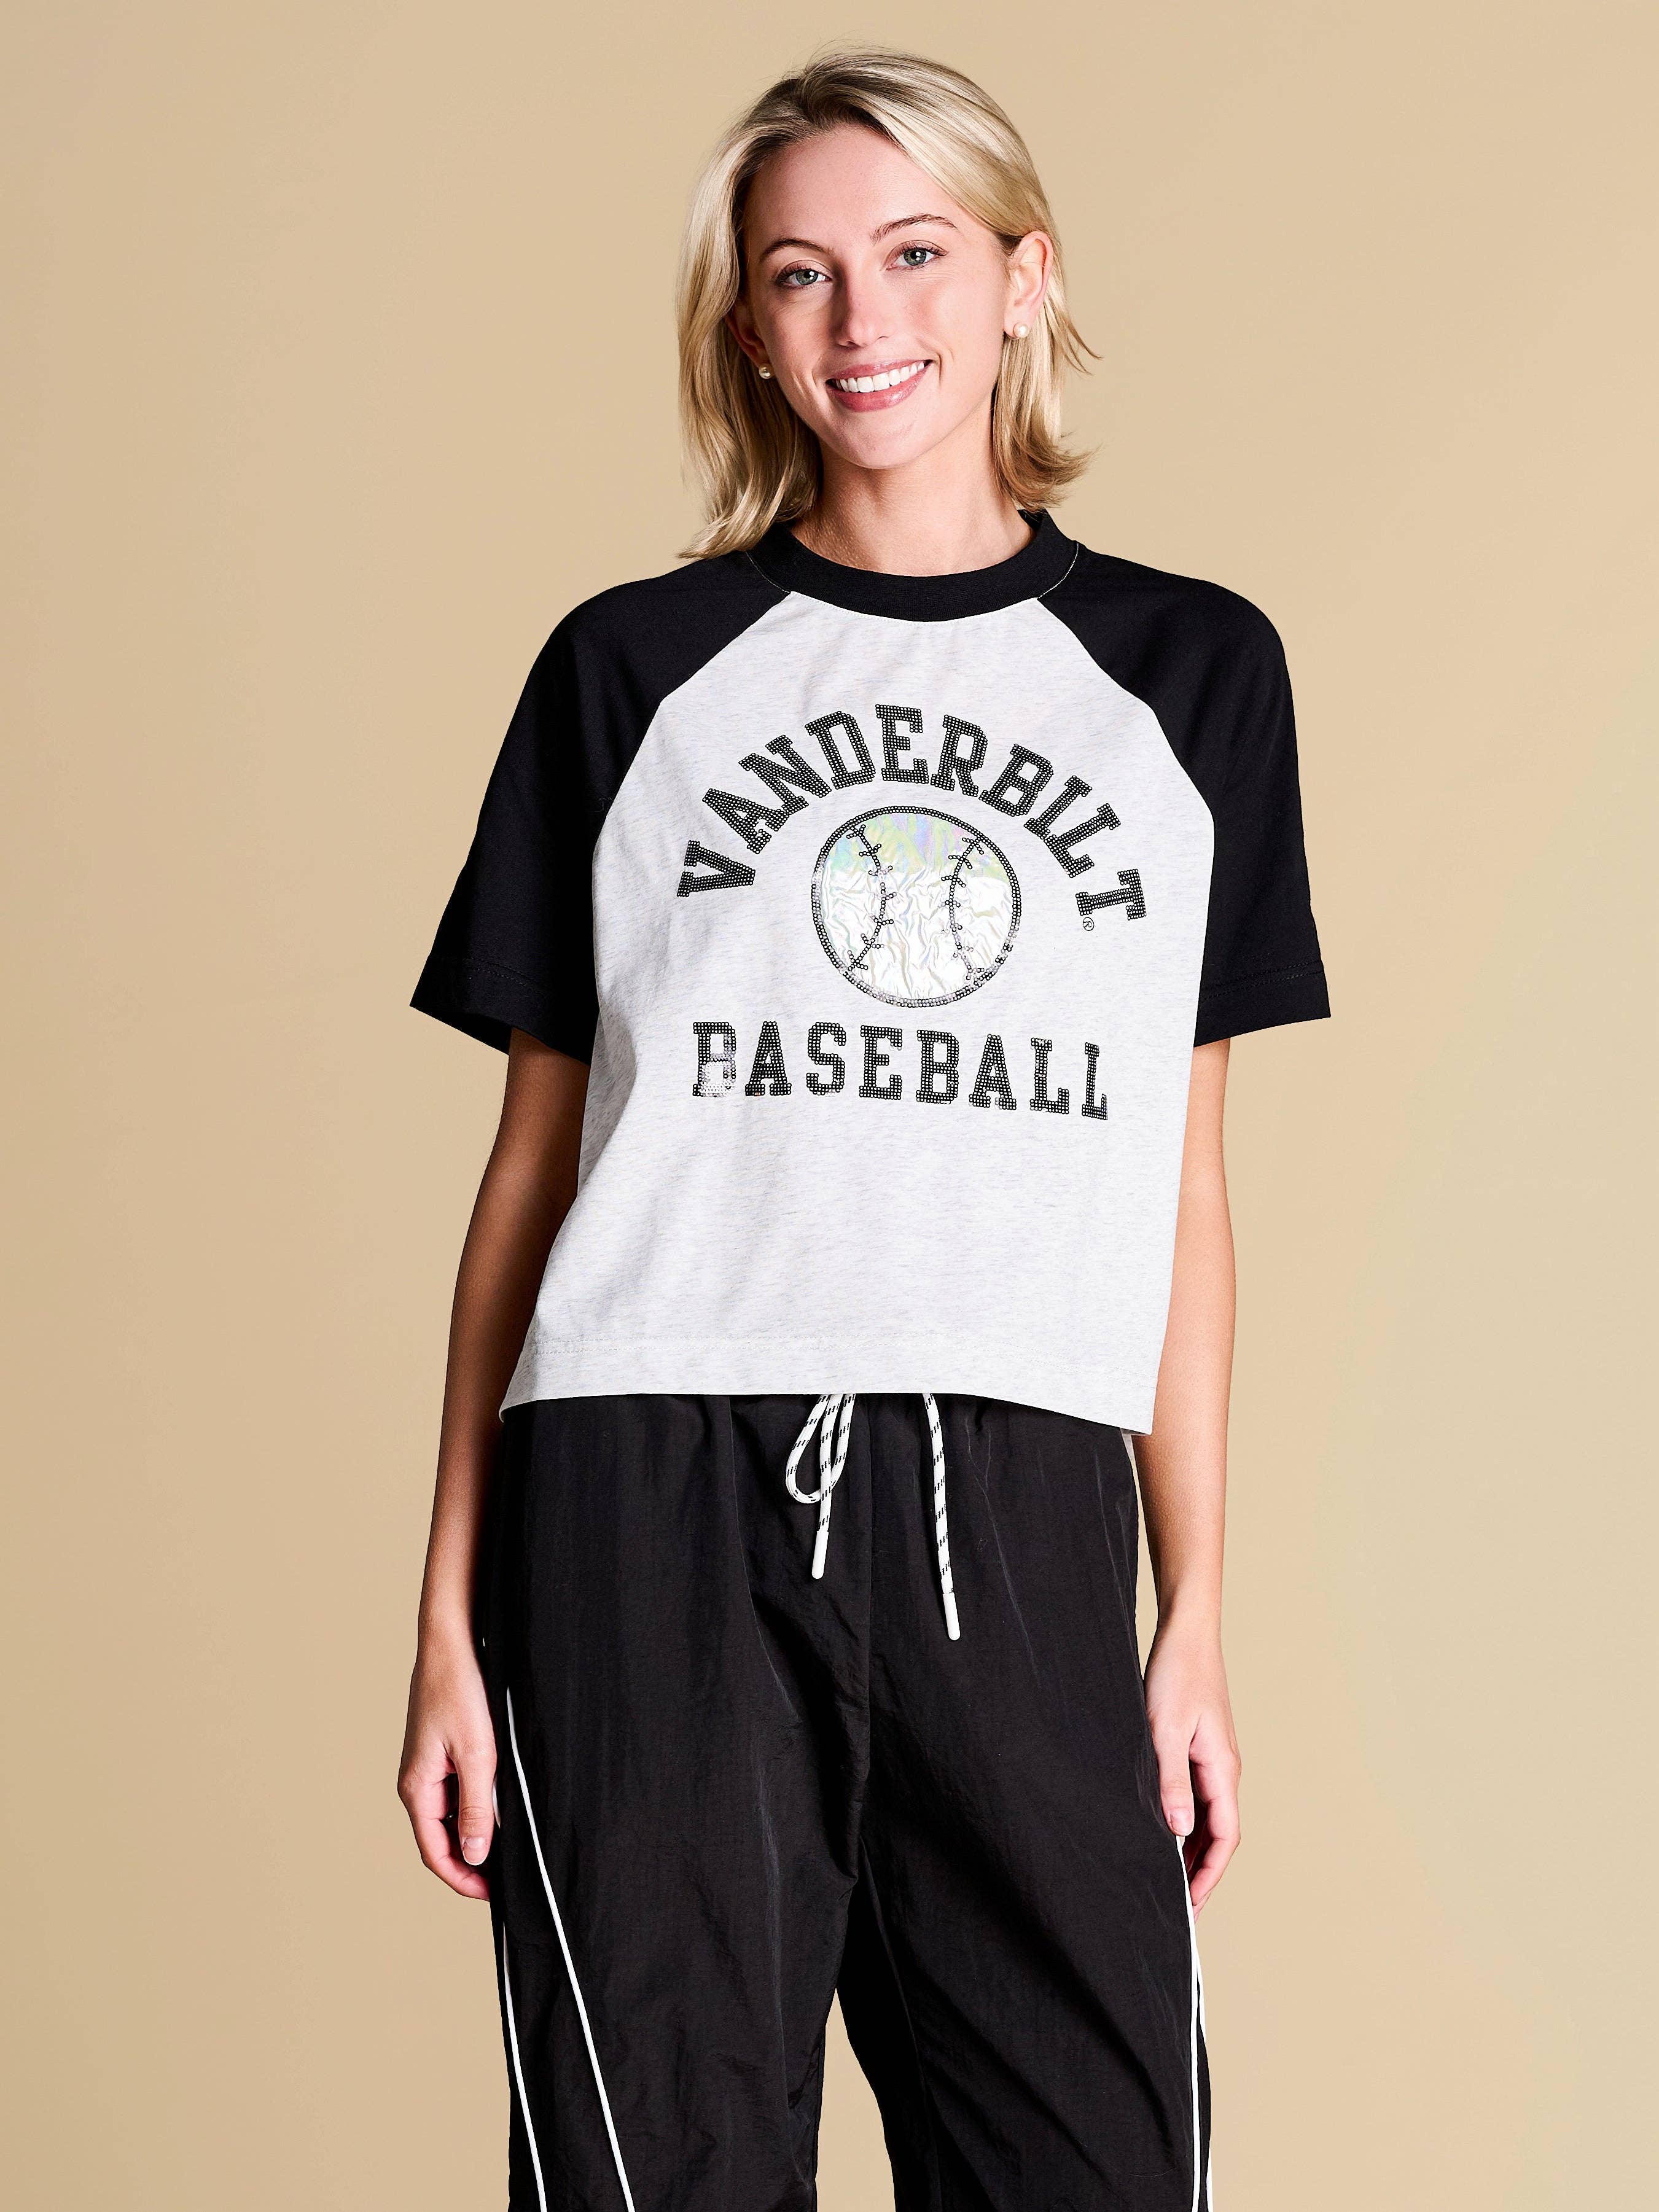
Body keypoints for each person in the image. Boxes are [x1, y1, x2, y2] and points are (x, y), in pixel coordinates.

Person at [399, 47, 1328, 2212]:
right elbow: (532, 1176)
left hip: (1018, 1487)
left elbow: (1178, 1186)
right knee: (656, 2170)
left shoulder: (1194, 677)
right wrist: (445, 1615)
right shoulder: (631, 670)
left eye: (915, 253)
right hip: (646, 1488)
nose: (862, 318)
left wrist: (1195, 1607)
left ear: (1024, 279)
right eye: (800, 273)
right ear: (747, 325)